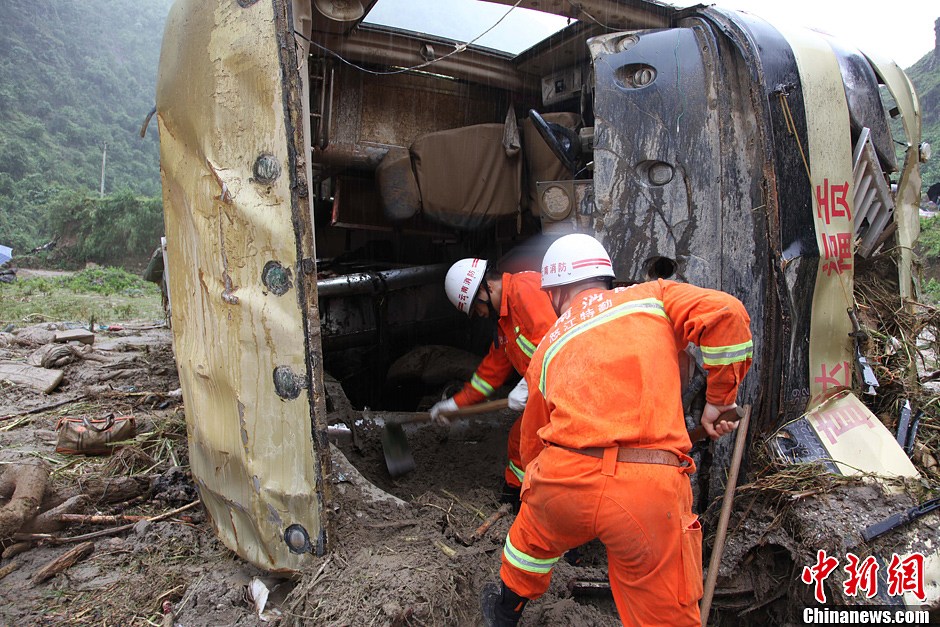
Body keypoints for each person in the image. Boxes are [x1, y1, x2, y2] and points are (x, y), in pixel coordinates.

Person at [482, 233, 753, 627]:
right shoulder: (653, 296)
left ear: (555, 293)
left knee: (528, 545)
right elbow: (725, 314)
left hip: (563, 479)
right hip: (646, 489)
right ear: (605, 277)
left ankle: (505, 612)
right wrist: (719, 399)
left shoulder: (549, 346)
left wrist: (538, 497)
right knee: (663, 611)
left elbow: (531, 440)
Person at [431, 258, 558, 509]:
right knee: (519, 440)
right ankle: (515, 496)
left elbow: (554, 341)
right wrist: (456, 404)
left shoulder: (525, 290)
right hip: (547, 390)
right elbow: (491, 372)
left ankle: (542, 507)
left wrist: (528, 384)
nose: (479, 314)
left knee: (533, 442)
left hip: (568, 387)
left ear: (484, 289)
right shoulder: (503, 323)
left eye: (475, 308)